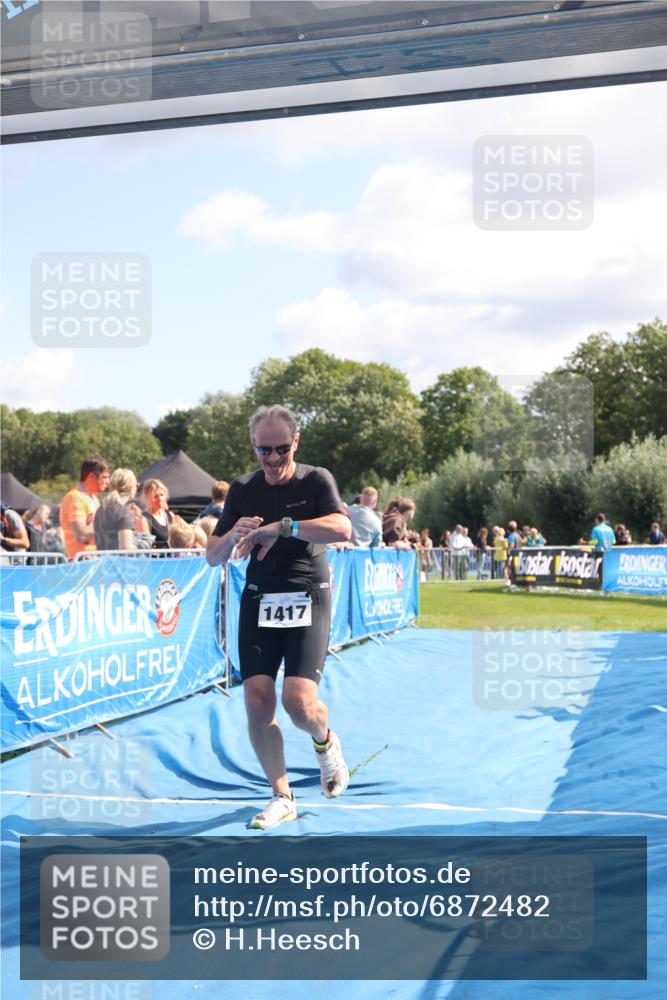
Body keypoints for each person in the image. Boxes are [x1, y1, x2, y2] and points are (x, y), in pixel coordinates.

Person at [206, 404, 352, 831]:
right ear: (252, 445)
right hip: (259, 596)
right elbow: (213, 556)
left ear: (295, 443)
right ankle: (282, 795)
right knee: (256, 699)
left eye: (281, 449)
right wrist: (233, 534)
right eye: (263, 450)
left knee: (299, 704)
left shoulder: (316, 480)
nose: (272, 458)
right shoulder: (242, 488)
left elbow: (343, 529)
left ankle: (325, 743)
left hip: (307, 593)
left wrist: (283, 527)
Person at [60, 454, 110, 560]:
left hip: (94, 560)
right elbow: (81, 535)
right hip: (81, 562)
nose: (108, 482)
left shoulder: (94, 499)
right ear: (91, 476)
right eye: (105, 477)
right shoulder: (74, 497)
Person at [94, 469, 149, 551]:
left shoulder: (101, 509)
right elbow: (126, 549)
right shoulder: (124, 512)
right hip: (119, 559)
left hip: (104, 558)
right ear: (131, 488)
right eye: (137, 486)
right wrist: (143, 543)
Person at [142, 479, 177, 549]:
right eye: (155, 496)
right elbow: (144, 545)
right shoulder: (144, 518)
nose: (160, 499)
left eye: (162, 495)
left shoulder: (170, 515)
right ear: (147, 498)